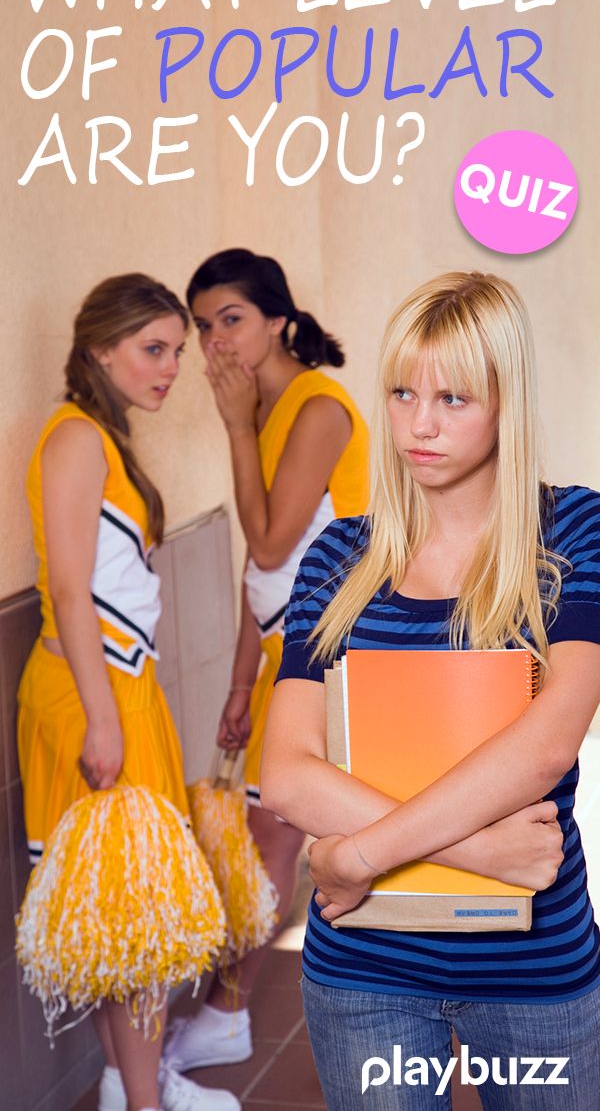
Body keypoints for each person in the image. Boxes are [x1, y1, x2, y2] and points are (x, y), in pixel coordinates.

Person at [261, 271, 600, 1110]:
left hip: (534, 967)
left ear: (504, 402)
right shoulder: (340, 555)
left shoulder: (573, 528)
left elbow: (550, 742)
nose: (418, 424)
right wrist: (478, 850)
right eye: (403, 391)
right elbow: (287, 772)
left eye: (454, 398)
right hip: (364, 968)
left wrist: (353, 854)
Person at [17, 275, 240, 1111]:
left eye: (176, 351)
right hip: (91, 694)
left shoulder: (103, 438)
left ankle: (128, 1082)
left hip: (120, 687)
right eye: (154, 349)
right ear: (100, 348)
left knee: (128, 912)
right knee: (131, 920)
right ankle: (147, 1103)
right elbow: (69, 591)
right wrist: (105, 718)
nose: (170, 367)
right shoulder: (77, 439)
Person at [164, 248, 370, 1071]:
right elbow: (269, 573)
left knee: (271, 843)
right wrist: (242, 677)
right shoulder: (271, 407)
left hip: (328, 656)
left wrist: (235, 425)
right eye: (204, 326)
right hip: (290, 647)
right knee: (272, 840)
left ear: (280, 319)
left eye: (233, 320)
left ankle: (228, 1007)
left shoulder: (316, 406)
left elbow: (270, 537)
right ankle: (228, 1007)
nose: (216, 343)